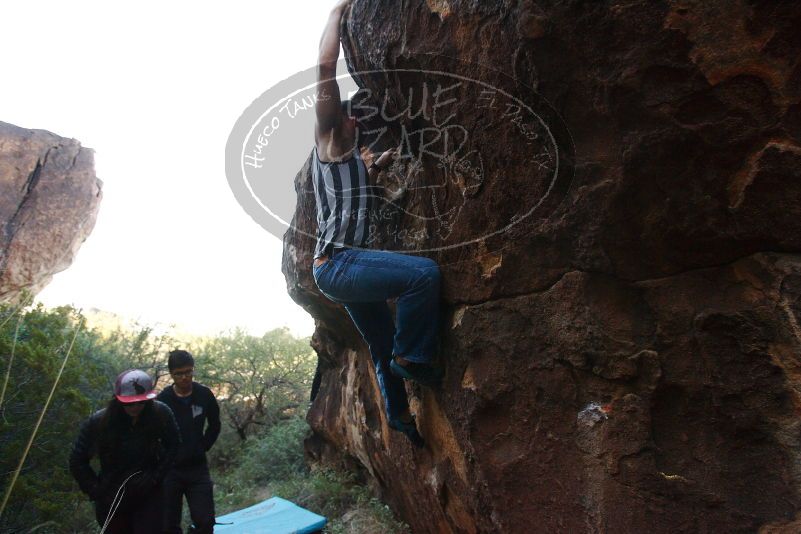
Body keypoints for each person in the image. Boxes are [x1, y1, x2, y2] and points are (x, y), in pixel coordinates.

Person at [311, 0, 443, 447]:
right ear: (341, 122)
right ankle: (414, 356)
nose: (356, 122)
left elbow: (370, 167)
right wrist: (337, 14)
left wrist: (384, 162)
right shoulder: (329, 138)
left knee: (379, 343)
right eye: (352, 118)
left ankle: (399, 415)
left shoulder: (354, 161)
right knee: (423, 275)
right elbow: (325, 69)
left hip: (338, 271)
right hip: (340, 264)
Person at [69, 369, 180, 534]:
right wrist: (96, 489)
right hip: (112, 495)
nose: (135, 407)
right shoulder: (99, 422)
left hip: (148, 493)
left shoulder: (160, 413)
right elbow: (77, 459)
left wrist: (156, 476)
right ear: (118, 400)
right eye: (129, 403)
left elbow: (174, 445)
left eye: (141, 402)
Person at [157, 349, 221, 534]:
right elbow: (154, 434)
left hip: (197, 468)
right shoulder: (163, 401)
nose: (184, 377)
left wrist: (202, 447)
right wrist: (165, 457)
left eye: (188, 372)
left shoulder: (203, 394)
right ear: (172, 375)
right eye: (179, 374)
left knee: (205, 521)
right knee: (168, 524)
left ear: (193, 370)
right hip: (170, 470)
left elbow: (215, 425)